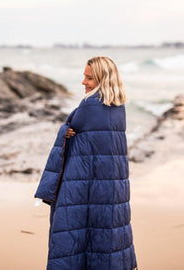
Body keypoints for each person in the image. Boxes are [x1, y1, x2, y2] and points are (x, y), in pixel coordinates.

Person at [34, 56, 138, 270]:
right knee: (107, 237)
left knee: (74, 235)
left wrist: (64, 131)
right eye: (84, 77)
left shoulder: (90, 104)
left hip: (83, 185)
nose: (83, 82)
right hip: (112, 187)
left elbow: (74, 127)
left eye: (89, 78)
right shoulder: (118, 105)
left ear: (102, 79)